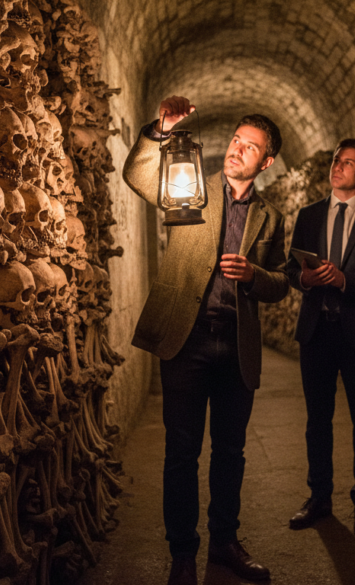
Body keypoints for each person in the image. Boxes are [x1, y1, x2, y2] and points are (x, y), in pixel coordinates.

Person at [122, 95, 289, 585]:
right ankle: (182, 554)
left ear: (267, 162)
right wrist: (160, 131)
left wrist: (254, 274)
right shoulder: (189, 183)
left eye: (250, 146)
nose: (237, 149)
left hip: (235, 347)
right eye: (236, 139)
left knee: (230, 452)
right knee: (181, 453)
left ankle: (224, 542)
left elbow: (281, 282)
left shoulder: (271, 217)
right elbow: (137, 175)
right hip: (187, 341)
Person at [283, 138, 355, 539]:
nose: (338, 167)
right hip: (316, 331)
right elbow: (290, 270)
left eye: (348, 163)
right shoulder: (309, 215)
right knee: (317, 420)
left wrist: (344, 280)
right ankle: (319, 497)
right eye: (336, 160)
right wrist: (305, 278)